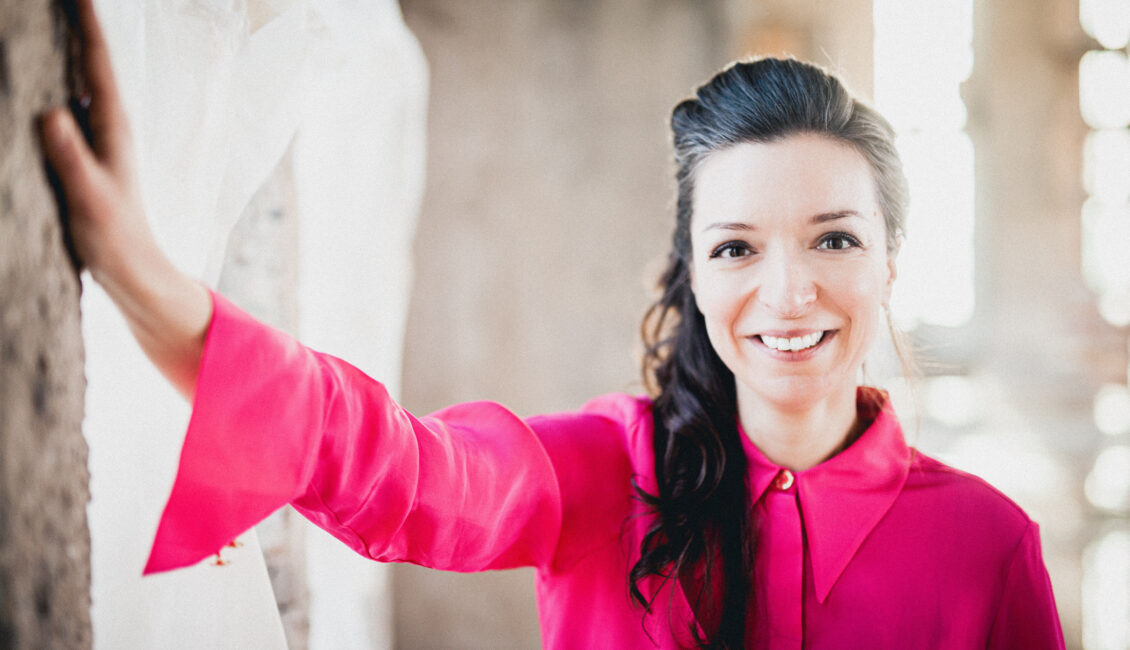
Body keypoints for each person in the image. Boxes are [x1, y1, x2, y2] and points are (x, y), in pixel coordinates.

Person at [40, 1, 1065, 647]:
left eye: (833, 239)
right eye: (736, 248)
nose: (788, 292)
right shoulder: (602, 472)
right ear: (693, 273)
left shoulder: (988, 547)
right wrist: (153, 287)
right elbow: (409, 471)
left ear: (891, 259)